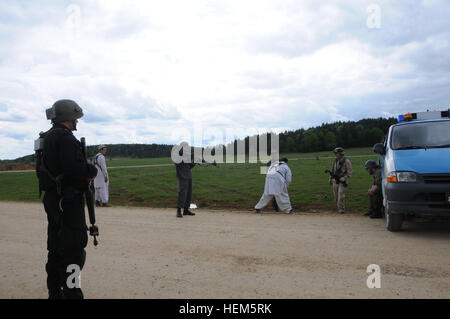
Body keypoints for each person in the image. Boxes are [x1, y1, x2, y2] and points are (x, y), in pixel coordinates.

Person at [37, 99, 97, 299]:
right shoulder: (66, 139)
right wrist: (91, 170)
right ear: (67, 118)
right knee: (73, 251)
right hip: (68, 201)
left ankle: (55, 292)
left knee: (55, 248)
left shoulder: (47, 138)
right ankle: (72, 294)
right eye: (75, 119)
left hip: (53, 199)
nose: (76, 123)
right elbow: (75, 170)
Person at [173, 142, 197, 218]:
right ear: (182, 148)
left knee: (189, 194)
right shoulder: (177, 155)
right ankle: (179, 211)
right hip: (182, 176)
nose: (188, 149)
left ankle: (186, 210)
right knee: (182, 193)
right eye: (186, 147)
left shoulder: (187, 156)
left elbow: (189, 166)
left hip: (188, 176)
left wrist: (195, 161)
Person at [329, 147, 352, 214]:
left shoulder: (346, 161)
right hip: (335, 180)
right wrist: (330, 178)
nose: (335, 154)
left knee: (341, 195)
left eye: (336, 153)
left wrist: (345, 178)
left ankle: (341, 209)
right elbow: (333, 170)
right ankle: (338, 207)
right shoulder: (335, 160)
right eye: (335, 153)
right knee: (336, 196)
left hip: (342, 180)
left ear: (340, 153)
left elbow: (349, 172)